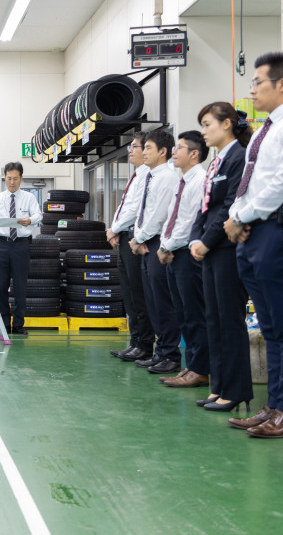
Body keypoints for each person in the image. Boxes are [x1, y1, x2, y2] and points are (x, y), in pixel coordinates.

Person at [223, 52, 283, 438]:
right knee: (270, 326)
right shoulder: (267, 128)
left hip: (277, 230)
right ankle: (275, 405)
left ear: (281, 84)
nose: (252, 90)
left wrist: (241, 218)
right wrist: (237, 216)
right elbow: (251, 181)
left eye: (257, 82)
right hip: (254, 230)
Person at [190, 102, 254, 412]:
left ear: (227, 123)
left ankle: (236, 389)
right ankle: (219, 386)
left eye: (207, 124)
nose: (203, 132)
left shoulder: (239, 158)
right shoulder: (217, 161)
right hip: (211, 249)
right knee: (213, 320)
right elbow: (205, 207)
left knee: (229, 320)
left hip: (226, 248)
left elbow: (229, 206)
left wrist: (207, 241)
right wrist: (196, 239)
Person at [157, 131, 209, 388]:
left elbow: (191, 222)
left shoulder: (200, 181)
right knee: (183, 313)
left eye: (179, 148)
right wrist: (164, 244)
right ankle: (191, 366)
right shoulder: (183, 181)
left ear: (194, 154)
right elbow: (172, 217)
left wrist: (168, 246)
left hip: (188, 255)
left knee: (194, 313)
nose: (174, 152)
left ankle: (201, 369)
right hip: (174, 253)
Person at [130, 131, 179, 374]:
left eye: (148, 147)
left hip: (157, 242)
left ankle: (170, 354)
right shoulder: (150, 177)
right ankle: (161, 353)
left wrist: (138, 238)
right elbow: (144, 211)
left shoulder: (168, 177)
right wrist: (137, 238)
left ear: (163, 151)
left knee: (162, 303)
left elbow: (159, 215)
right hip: (146, 242)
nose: (144, 152)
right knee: (152, 302)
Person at [106, 133, 154, 362]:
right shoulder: (135, 176)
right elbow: (124, 207)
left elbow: (135, 209)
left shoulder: (147, 176)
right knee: (128, 294)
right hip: (125, 237)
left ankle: (144, 344)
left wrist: (114, 229)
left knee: (137, 295)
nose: (130, 150)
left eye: (135, 146)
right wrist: (115, 229)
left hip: (136, 239)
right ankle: (135, 342)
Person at [0, 162, 42, 335]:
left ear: (21, 178)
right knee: (1, 286)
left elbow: (38, 215)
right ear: (5, 178)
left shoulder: (29, 197)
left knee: (20, 286)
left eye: (15, 178)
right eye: (9, 178)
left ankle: (18, 325)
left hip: (21, 245)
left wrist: (30, 220)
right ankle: (4, 325)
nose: (12, 182)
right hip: (1, 244)